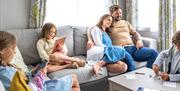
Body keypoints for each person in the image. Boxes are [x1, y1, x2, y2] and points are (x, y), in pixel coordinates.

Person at [0, 31, 80, 91]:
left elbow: (24, 78)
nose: (14, 51)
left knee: (74, 79)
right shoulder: (4, 73)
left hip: (37, 84)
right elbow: (25, 87)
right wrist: (40, 76)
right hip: (39, 87)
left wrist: (34, 72)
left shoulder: (6, 66)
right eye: (12, 48)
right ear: (2, 51)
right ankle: (71, 62)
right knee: (74, 79)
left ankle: (71, 62)